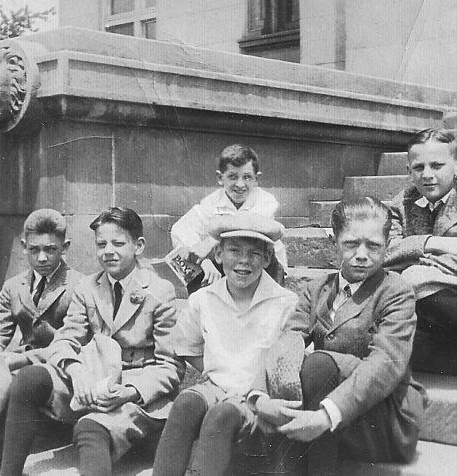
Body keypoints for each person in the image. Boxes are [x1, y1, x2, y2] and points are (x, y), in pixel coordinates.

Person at [0, 207, 184, 476]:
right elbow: (65, 340)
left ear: (138, 246)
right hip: (91, 380)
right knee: (28, 379)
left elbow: (171, 368)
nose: (108, 251)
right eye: (101, 244)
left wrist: (129, 390)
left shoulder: (159, 291)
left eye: (118, 243)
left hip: (137, 393)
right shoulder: (88, 287)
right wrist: (75, 369)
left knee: (91, 427)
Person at [251, 197, 427, 476]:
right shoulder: (316, 289)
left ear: (387, 246)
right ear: (335, 244)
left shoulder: (396, 291)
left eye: (373, 245)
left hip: (382, 418)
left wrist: (326, 415)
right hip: (322, 410)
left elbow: (386, 363)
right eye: (351, 244)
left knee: (318, 364)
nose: (361, 254)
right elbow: (286, 341)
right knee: (300, 367)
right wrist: (259, 397)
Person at [153, 212, 299, 476]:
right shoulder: (203, 299)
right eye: (234, 250)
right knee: (186, 404)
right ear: (218, 255)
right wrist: (218, 372)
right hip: (217, 387)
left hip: (257, 400)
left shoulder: (285, 303)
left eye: (255, 253)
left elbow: (287, 362)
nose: (243, 261)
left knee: (221, 415)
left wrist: (250, 392)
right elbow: (188, 347)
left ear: (267, 259)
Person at [0, 208, 83, 476]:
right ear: (24, 247)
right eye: (35, 249)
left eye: (51, 249)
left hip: (55, 371)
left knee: (17, 386)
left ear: (65, 247)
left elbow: (70, 342)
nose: (42, 257)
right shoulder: (14, 286)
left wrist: (18, 359)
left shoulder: (79, 287)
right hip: (15, 366)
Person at [385, 128, 457, 373]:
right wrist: (431, 243)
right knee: (406, 280)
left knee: (414, 276)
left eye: (437, 166)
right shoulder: (401, 205)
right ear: (408, 171)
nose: (427, 175)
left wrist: (417, 260)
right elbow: (385, 254)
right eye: (419, 167)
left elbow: (400, 255)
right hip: (429, 300)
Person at [171, 144, 288, 292]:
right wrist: (203, 261)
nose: (240, 184)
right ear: (220, 178)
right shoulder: (211, 202)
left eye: (247, 177)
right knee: (183, 258)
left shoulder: (265, 200)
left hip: (262, 266)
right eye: (232, 177)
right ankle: (204, 306)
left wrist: (212, 239)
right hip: (227, 264)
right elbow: (179, 230)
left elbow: (251, 224)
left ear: (257, 179)